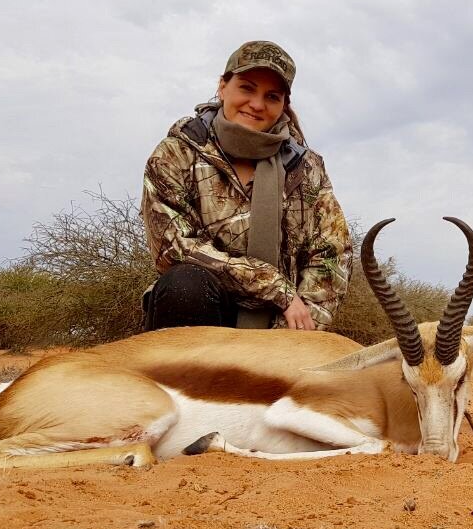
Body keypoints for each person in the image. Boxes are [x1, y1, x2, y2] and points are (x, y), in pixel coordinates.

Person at [141, 40, 350, 331]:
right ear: (222, 86)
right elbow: (173, 248)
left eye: (272, 96)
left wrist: (293, 335)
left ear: (283, 105)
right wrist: (276, 287)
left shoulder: (307, 168)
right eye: (247, 88)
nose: (257, 104)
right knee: (183, 285)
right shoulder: (176, 153)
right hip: (202, 319)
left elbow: (331, 255)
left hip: (281, 325)